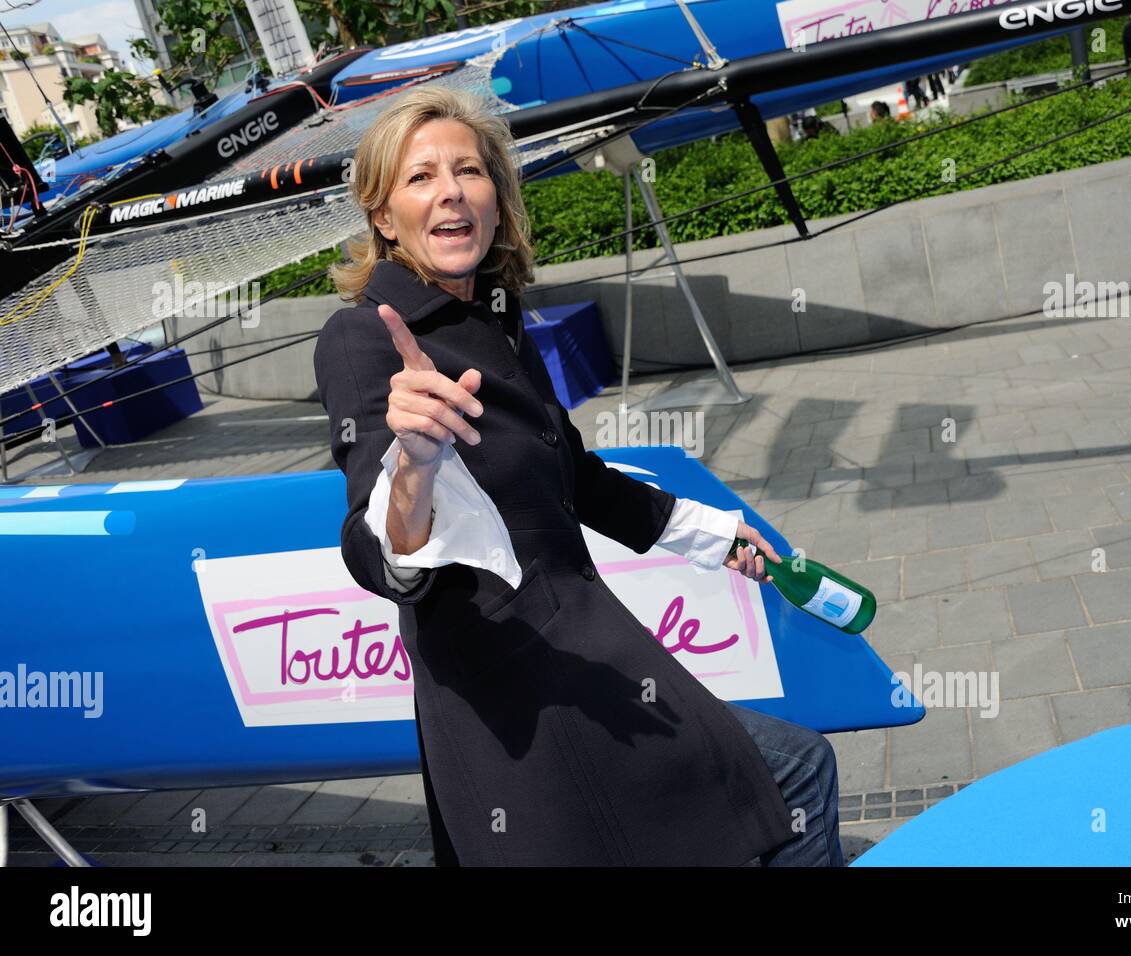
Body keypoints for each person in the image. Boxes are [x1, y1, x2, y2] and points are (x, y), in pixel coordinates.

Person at [312, 84, 845, 866]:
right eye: (420, 177)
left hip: (585, 650)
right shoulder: (363, 338)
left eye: (469, 170)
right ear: (384, 217)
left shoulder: (500, 322)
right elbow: (374, 551)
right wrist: (412, 470)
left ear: (497, 197)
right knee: (792, 774)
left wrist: (715, 535)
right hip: (516, 686)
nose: (451, 190)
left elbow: (580, 478)